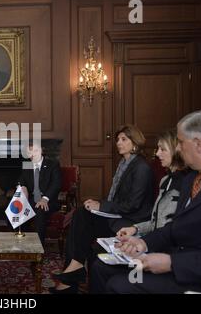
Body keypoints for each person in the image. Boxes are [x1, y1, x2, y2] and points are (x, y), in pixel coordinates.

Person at [90, 110, 201, 294]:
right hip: (173, 261)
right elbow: (174, 228)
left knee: (120, 285)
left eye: (179, 142)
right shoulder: (191, 180)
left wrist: (171, 263)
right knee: (102, 268)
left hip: (196, 279)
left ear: (198, 144)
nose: (178, 148)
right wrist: (143, 243)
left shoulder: (184, 179)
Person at [50, 125, 154, 294]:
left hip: (130, 221)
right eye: (118, 139)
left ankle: (71, 274)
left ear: (135, 142)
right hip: (118, 215)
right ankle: (73, 269)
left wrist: (102, 206)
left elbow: (132, 205)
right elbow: (118, 200)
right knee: (81, 212)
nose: (118, 143)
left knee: (83, 217)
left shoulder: (141, 167)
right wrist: (98, 204)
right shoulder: (125, 164)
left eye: (123, 139)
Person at [116, 129, 187, 238]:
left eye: (162, 149)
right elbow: (156, 223)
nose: (158, 154)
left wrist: (146, 243)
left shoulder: (186, 183)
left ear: (176, 151)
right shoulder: (165, 180)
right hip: (156, 241)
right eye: (158, 148)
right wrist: (135, 229)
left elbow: (176, 229)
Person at [18, 143, 61, 245]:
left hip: (49, 200)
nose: (33, 154)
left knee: (39, 209)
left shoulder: (53, 164)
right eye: (30, 152)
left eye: (35, 151)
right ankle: (21, 242)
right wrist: (23, 189)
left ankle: (38, 248)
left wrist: (45, 199)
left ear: (41, 150)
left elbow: (56, 184)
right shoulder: (27, 165)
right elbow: (21, 181)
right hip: (31, 198)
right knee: (13, 207)